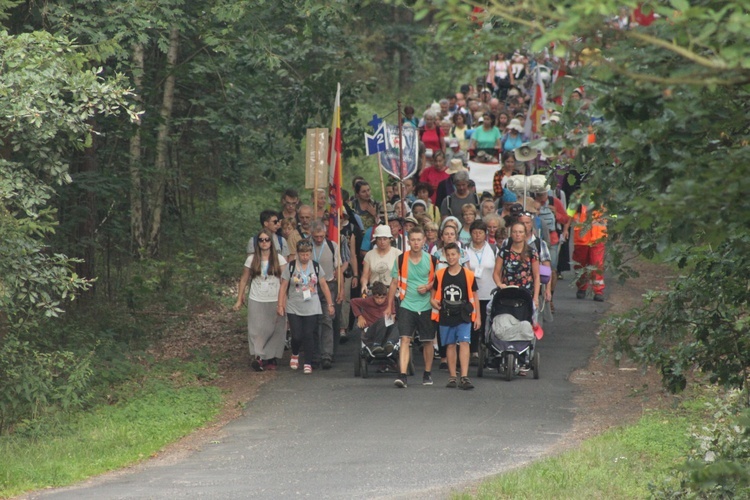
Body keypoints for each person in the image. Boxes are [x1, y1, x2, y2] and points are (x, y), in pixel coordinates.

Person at [388, 227, 438, 388]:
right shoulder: (401, 259)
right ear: (408, 242)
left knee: (428, 341)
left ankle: (427, 373)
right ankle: (402, 375)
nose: (416, 243)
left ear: (424, 241)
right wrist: (390, 305)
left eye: (419, 239)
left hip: (426, 305)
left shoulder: (432, 259)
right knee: (404, 339)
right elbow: (394, 283)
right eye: (413, 240)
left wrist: (428, 286)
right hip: (407, 303)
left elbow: (438, 281)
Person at [233, 228, 287, 372]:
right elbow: (244, 279)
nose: (264, 243)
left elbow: (285, 281)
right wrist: (240, 298)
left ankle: (271, 357)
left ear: (271, 242)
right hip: (256, 297)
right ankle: (259, 357)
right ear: (258, 242)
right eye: (261, 240)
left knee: (274, 328)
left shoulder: (279, 259)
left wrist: (284, 301)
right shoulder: (251, 259)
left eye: (267, 240)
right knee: (256, 328)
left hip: (274, 297)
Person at [278, 240, 335, 374]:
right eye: (302, 254)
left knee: (309, 334)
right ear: (298, 254)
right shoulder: (290, 267)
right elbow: (283, 286)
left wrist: (330, 304)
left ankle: (308, 362)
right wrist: (280, 304)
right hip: (294, 305)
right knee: (297, 335)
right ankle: (295, 353)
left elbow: (324, 285)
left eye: (307, 254)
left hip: (311, 305)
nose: (305, 257)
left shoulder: (315, 266)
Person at [431, 243, 479, 390]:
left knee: (464, 343)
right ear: (445, 256)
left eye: (454, 254)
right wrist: (433, 302)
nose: (451, 257)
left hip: (463, 314)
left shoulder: (468, 274)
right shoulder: (440, 274)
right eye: (449, 254)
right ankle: (452, 376)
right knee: (450, 344)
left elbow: (475, 296)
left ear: (459, 255)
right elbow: (433, 295)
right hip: (446, 314)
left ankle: (464, 376)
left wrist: (478, 317)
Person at [310, 221, 343, 369]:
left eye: (321, 236)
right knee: (312, 321)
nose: (318, 239)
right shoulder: (306, 246)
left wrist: (341, 289)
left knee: (327, 319)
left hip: (329, 285)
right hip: (310, 286)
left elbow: (339, 268)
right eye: (316, 236)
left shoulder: (332, 246)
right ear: (311, 234)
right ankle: (314, 354)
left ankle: (327, 354)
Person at [465, 220, 496, 364]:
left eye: (481, 232)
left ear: (485, 234)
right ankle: (473, 351)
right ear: (470, 234)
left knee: (486, 321)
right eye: (475, 232)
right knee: (472, 322)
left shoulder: (494, 249)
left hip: (489, 292)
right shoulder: (465, 249)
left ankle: (486, 347)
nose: (477, 235)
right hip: (470, 293)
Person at [493, 221, 541, 312]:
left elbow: (536, 276)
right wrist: (499, 284)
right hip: (507, 293)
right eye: (515, 232)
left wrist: (535, 297)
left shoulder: (532, 252)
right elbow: (496, 272)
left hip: (526, 294)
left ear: (525, 234)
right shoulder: (504, 252)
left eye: (520, 232)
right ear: (511, 234)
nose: (517, 234)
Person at [570, 198, 607, 301]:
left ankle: (598, 291)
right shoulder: (578, 200)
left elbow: (613, 218)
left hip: (598, 239)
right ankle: (582, 287)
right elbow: (568, 216)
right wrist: (564, 230)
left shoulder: (604, 200)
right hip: (582, 240)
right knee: (580, 265)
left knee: (597, 265)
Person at [350, 281, 398, 353]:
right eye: (377, 297)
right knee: (383, 320)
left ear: (386, 296)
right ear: (373, 296)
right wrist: (359, 316)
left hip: (385, 331)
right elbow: (353, 301)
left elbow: (393, 316)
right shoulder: (368, 301)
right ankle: (376, 344)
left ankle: (390, 343)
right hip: (371, 331)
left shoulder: (389, 301)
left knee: (398, 323)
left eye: (382, 298)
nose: (379, 300)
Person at [361, 225, 402, 295]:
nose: (382, 242)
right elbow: (365, 275)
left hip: (392, 292)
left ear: (390, 239)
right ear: (376, 240)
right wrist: (364, 284)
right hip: (374, 293)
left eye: (385, 239)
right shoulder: (369, 255)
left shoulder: (398, 254)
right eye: (379, 239)